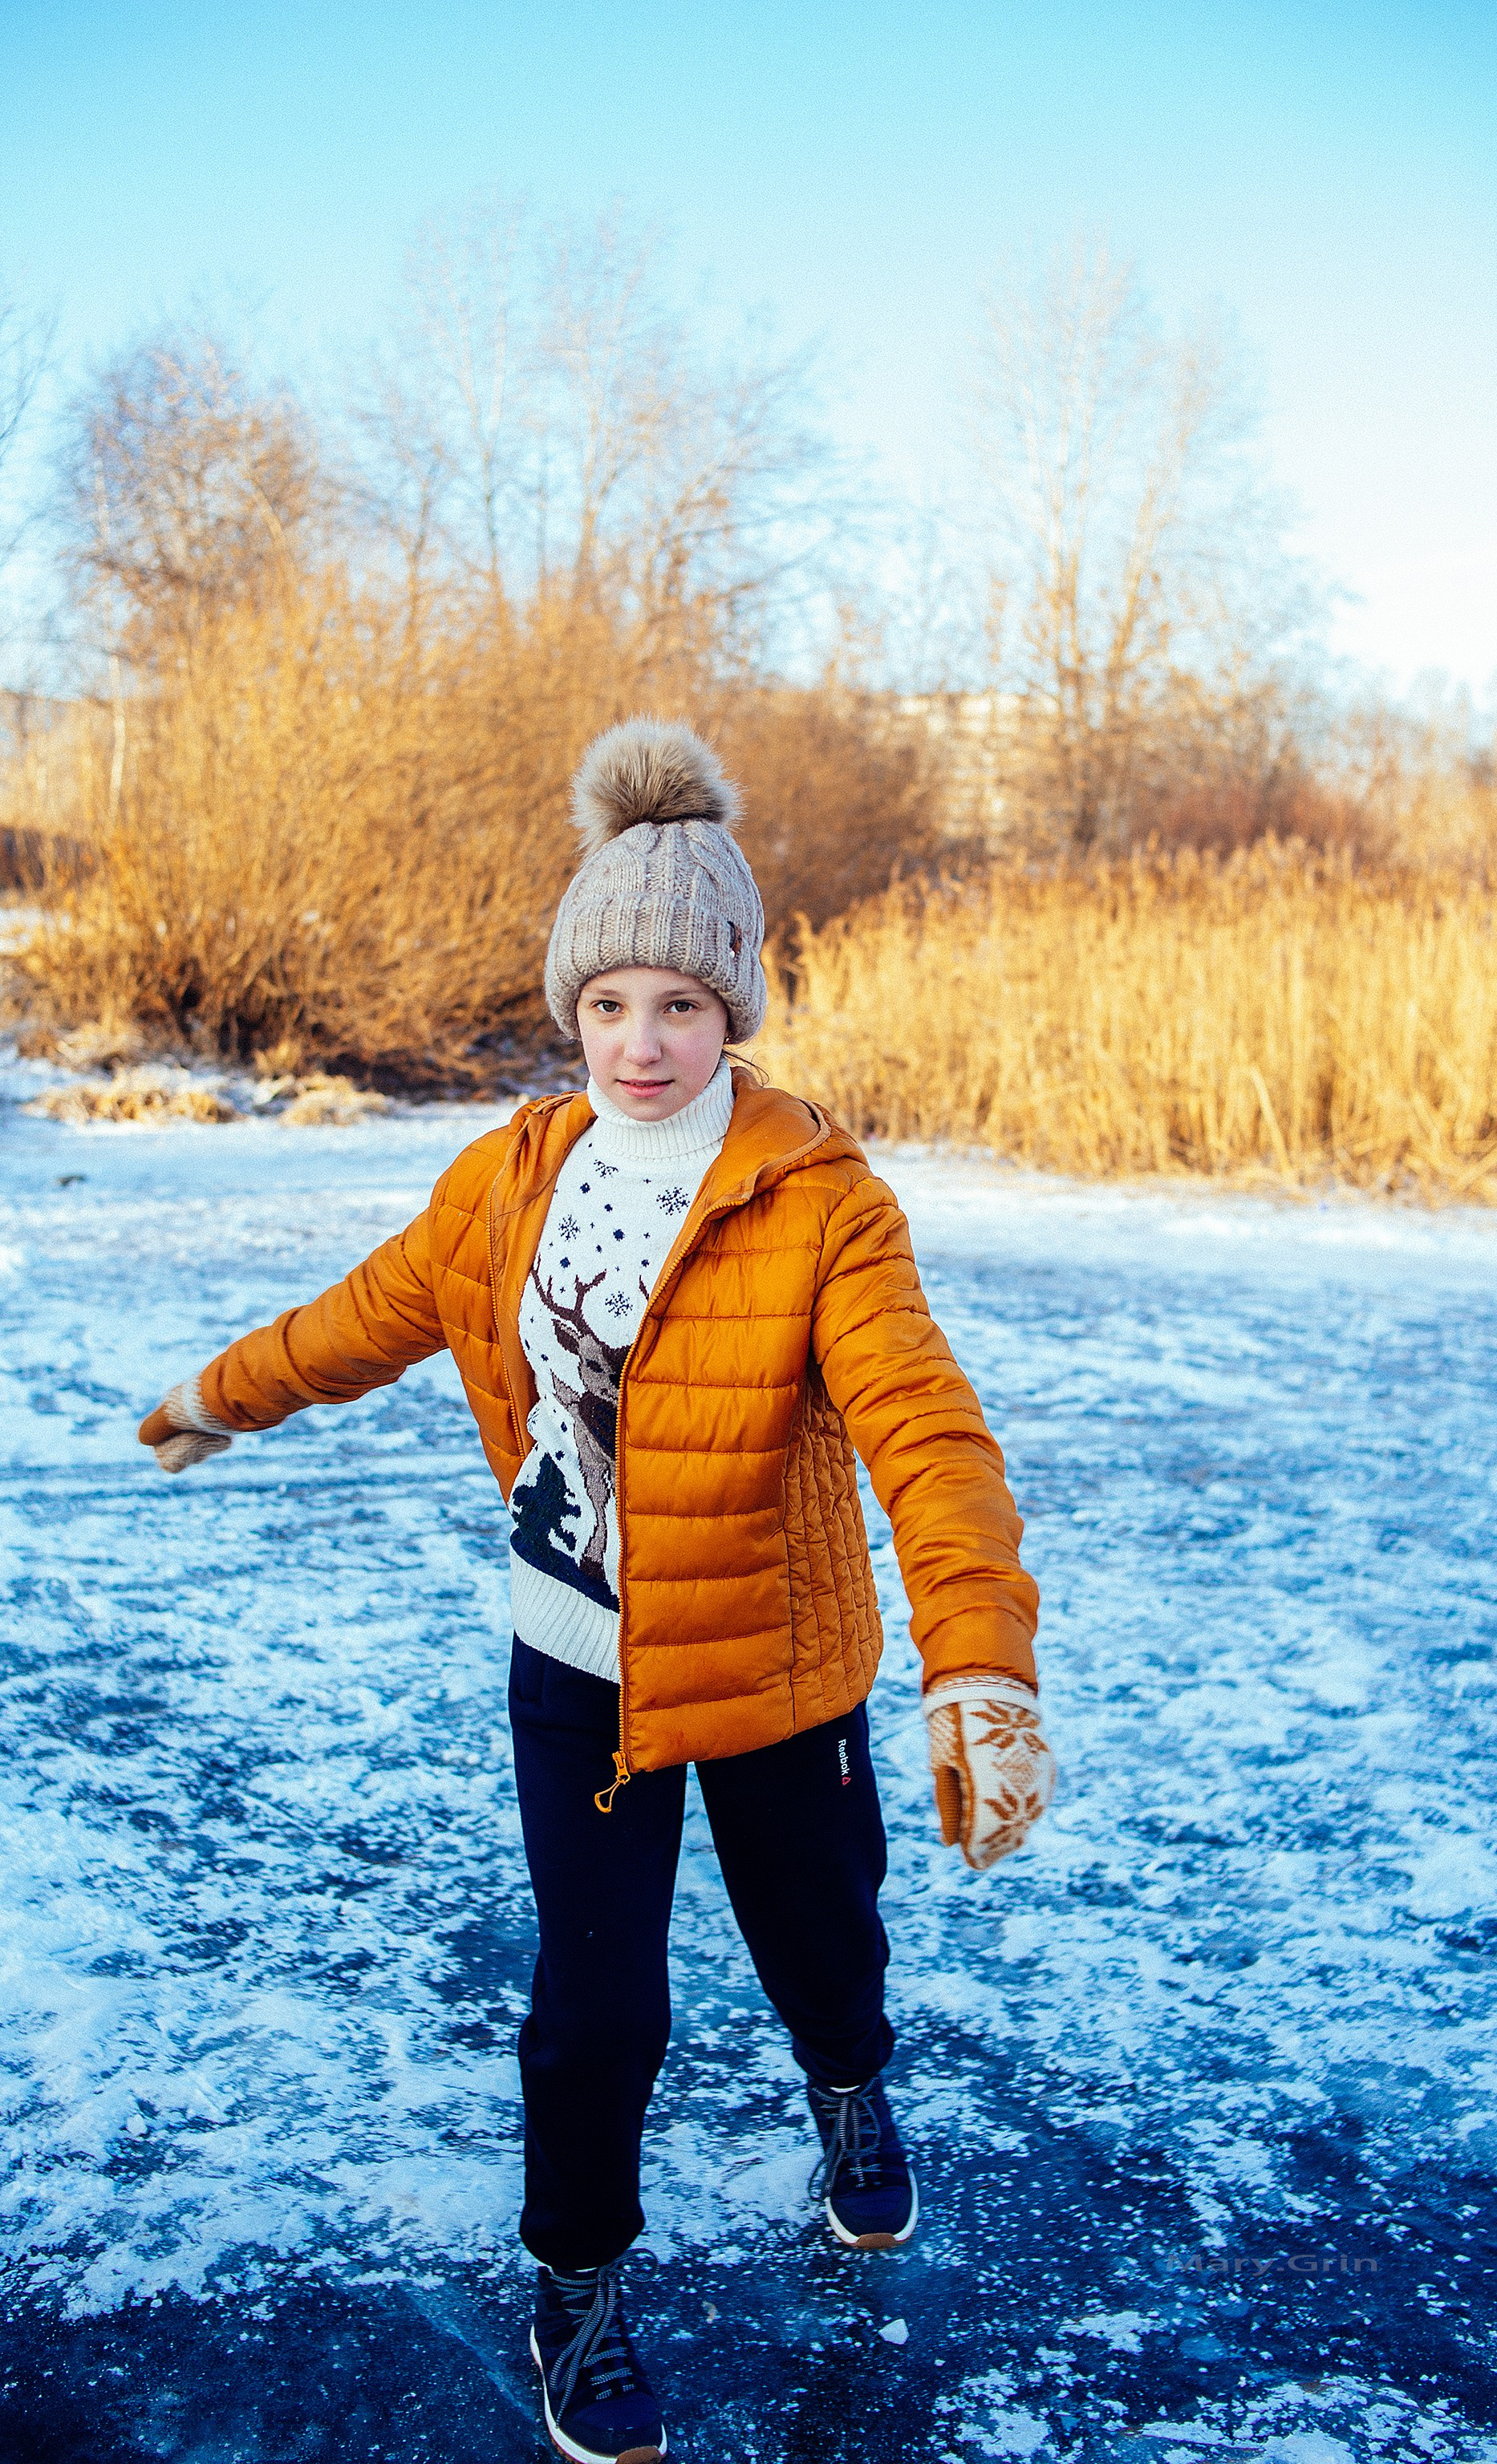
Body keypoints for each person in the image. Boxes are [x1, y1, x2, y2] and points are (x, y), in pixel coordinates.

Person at [140, 719, 1056, 2464]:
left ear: (737, 1012)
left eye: (684, 1006)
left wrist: (980, 1662)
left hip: (779, 1663)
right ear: (572, 1009)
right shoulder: (511, 1174)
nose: (642, 1043)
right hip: (572, 1662)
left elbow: (927, 1431)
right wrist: (216, 1396)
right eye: (609, 1003)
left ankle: (851, 2091)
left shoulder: (818, 1206)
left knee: (822, 1943)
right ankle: (577, 2279)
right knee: (595, 2004)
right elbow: (371, 1310)